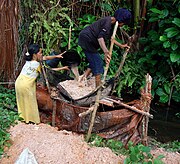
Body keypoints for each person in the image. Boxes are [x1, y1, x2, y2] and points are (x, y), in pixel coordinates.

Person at [15, 44, 69, 124]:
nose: (42, 54)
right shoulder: (37, 65)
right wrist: (63, 68)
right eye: (40, 53)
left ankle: (23, 118)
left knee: (22, 101)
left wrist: (56, 56)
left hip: (18, 82)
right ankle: (34, 121)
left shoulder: (29, 60)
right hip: (26, 85)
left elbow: (45, 58)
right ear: (34, 55)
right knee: (31, 102)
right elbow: (50, 70)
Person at [78, 8, 132, 87]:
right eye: (123, 23)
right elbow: (100, 38)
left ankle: (83, 78)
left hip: (89, 41)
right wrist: (106, 52)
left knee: (94, 61)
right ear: (120, 21)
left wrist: (121, 45)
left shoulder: (111, 24)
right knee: (98, 64)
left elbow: (111, 38)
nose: (122, 25)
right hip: (87, 39)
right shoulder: (107, 23)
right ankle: (97, 88)